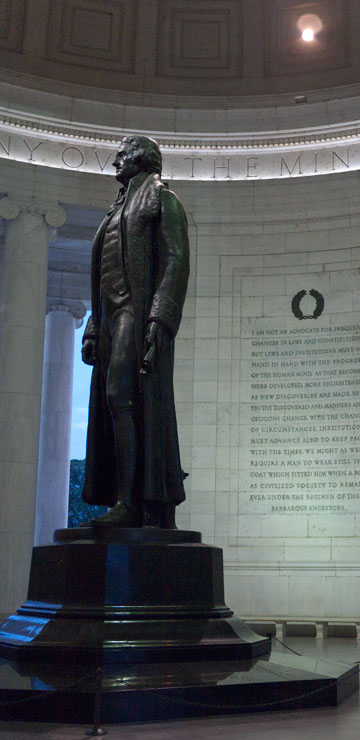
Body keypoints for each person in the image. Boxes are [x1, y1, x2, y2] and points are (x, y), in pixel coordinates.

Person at [81, 135, 189, 528]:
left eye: (122, 156)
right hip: (112, 317)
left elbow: (176, 261)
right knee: (112, 404)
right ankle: (120, 497)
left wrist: (161, 318)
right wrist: (94, 327)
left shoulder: (163, 200)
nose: (115, 163)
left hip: (137, 313)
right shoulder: (114, 212)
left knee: (122, 397)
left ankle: (131, 501)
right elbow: (100, 277)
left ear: (142, 159)